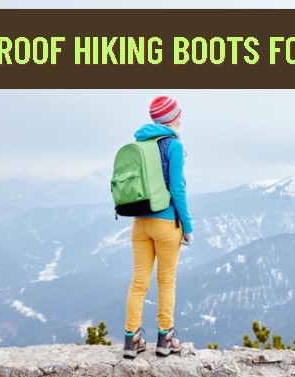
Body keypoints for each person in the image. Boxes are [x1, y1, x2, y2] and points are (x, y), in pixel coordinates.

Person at [123, 96, 194, 359]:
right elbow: (177, 187)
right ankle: (165, 339)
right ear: (171, 118)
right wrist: (187, 226)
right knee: (166, 282)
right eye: (178, 115)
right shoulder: (173, 145)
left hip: (140, 222)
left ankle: (132, 340)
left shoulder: (140, 143)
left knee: (138, 282)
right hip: (166, 224)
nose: (181, 119)